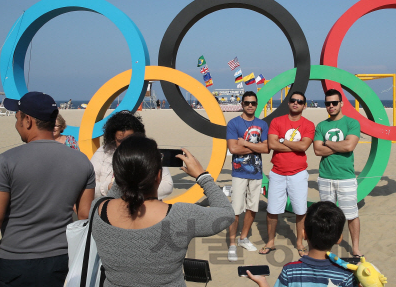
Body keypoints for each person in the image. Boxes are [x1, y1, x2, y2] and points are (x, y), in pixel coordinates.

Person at [0, 91, 95, 286]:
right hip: (61, 261)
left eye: (17, 118)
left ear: (28, 120)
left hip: (15, 261)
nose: (16, 124)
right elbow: (85, 215)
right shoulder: (82, 161)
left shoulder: (7, 161)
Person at [90, 135, 235, 286]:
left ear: (118, 174)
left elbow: (117, 190)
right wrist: (202, 176)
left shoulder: (97, 209)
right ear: (158, 175)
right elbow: (226, 213)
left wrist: (128, 164)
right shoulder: (181, 215)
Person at [246, 201, 354, 287]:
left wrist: (262, 282)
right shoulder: (346, 274)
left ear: (304, 234)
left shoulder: (290, 271)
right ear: (339, 239)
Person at [260, 91, 315, 256]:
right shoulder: (277, 121)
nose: (296, 103)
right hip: (277, 172)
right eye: (293, 100)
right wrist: (293, 144)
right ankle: (270, 242)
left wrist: (282, 140)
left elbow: (303, 147)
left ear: (304, 106)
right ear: (288, 103)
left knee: (300, 210)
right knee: (272, 209)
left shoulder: (309, 124)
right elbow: (271, 144)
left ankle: (299, 243)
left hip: (298, 173)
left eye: (299, 101)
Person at [313, 89, 362, 257]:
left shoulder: (352, 123)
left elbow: (349, 147)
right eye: (328, 103)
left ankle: (355, 248)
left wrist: (327, 142)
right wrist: (339, 145)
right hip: (325, 177)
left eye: (334, 103)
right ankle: (327, 247)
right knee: (326, 216)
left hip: (346, 177)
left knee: (351, 214)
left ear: (341, 103)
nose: (331, 106)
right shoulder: (321, 125)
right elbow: (317, 151)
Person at [226, 91, 269, 261]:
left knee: (252, 207)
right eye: (247, 103)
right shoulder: (233, 123)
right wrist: (255, 146)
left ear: (256, 105)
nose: (250, 105)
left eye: (253, 103)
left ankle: (243, 238)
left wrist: (244, 142)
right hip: (239, 172)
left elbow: (266, 149)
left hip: (256, 173)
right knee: (235, 209)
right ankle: (232, 244)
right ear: (242, 104)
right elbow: (233, 149)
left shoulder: (262, 124)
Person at [90, 110, 173, 199]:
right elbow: (89, 186)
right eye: (120, 141)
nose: (125, 144)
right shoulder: (103, 152)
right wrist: (107, 188)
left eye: (129, 139)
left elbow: (167, 185)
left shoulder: (149, 151)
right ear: (113, 138)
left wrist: (130, 192)